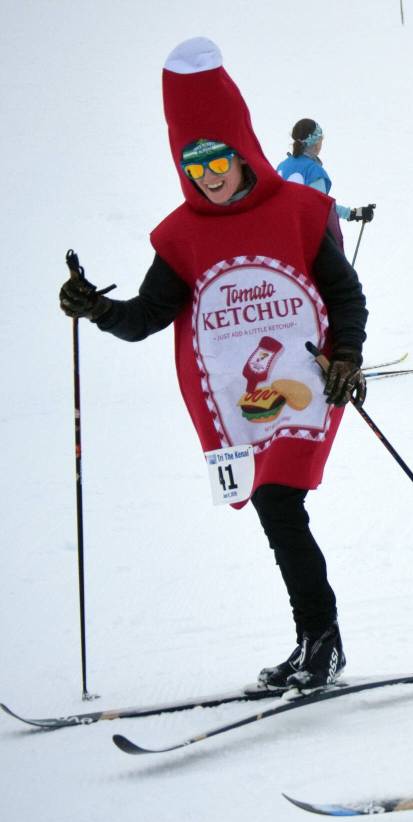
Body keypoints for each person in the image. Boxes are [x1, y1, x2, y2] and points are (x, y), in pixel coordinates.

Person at [58, 37, 369, 692]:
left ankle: (322, 642)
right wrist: (97, 309)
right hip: (237, 400)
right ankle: (314, 640)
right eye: (193, 164)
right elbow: (147, 316)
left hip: (309, 383)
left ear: (242, 150)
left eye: (218, 159)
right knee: (272, 508)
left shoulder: (299, 211)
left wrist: (347, 355)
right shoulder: (183, 236)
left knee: (279, 499)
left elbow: (345, 295)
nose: (208, 175)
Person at [276, 118, 374, 233]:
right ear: (316, 143)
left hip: (277, 233)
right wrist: (353, 213)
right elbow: (322, 209)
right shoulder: (314, 171)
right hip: (300, 236)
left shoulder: (281, 166)